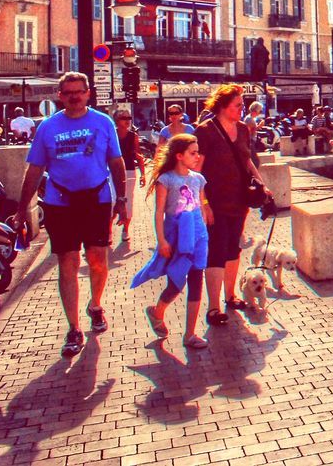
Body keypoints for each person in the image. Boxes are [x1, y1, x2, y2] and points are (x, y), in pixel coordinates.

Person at [14, 72, 128, 358]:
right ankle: (74, 328)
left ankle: (96, 304)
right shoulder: (48, 128)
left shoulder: (103, 122)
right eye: (68, 92)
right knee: (68, 262)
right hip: (60, 202)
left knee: (98, 260)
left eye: (79, 91)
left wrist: (122, 200)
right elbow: (34, 170)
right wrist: (20, 210)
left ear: (88, 93)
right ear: (60, 95)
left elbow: (116, 161)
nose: (74, 96)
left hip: (97, 199)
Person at [193, 84, 265, 325]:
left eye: (242, 104)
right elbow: (196, 171)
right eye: (237, 105)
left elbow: (246, 161)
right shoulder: (205, 132)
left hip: (239, 200)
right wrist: (203, 203)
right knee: (216, 250)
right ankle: (213, 308)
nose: (241, 108)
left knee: (234, 248)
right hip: (214, 202)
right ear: (223, 106)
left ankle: (231, 295)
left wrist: (262, 185)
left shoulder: (243, 129)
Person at [131, 134, 210, 349]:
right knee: (176, 282)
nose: (197, 156)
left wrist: (203, 229)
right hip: (176, 236)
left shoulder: (198, 179)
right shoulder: (166, 180)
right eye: (192, 153)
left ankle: (190, 334)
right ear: (179, 155)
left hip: (198, 236)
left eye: (197, 152)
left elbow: (201, 207)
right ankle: (157, 312)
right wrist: (162, 241)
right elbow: (159, 213)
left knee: (196, 280)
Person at [114, 109, 147, 246]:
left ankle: (126, 230)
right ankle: (108, 232)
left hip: (129, 171)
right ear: (116, 120)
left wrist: (143, 174)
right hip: (112, 172)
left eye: (129, 117)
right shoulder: (112, 134)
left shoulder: (132, 136)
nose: (127, 120)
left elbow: (138, 155)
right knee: (110, 201)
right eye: (123, 117)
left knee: (128, 201)